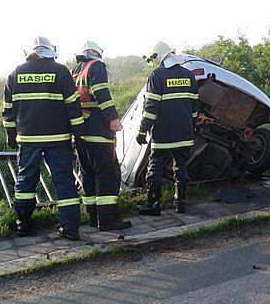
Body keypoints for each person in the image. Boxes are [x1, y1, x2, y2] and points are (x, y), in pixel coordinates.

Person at [2, 36, 84, 240]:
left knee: (25, 181)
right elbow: (73, 106)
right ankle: (70, 228)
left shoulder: (15, 73)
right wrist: (79, 134)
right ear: (50, 51)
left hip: (28, 140)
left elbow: (8, 111)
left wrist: (11, 136)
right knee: (64, 180)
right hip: (58, 139)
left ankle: (24, 224)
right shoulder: (61, 71)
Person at [71, 40, 131, 231]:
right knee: (107, 175)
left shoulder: (76, 70)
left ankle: (93, 217)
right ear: (97, 53)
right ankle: (107, 220)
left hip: (81, 132)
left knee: (88, 175)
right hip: (98, 131)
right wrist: (113, 118)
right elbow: (101, 93)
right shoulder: (96, 66)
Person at [137, 42, 199, 214]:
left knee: (155, 168)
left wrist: (142, 131)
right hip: (184, 133)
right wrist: (192, 127)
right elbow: (194, 107)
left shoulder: (157, 76)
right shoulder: (188, 75)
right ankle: (181, 203)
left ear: (158, 56)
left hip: (163, 134)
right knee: (181, 167)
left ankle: (153, 205)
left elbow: (151, 109)